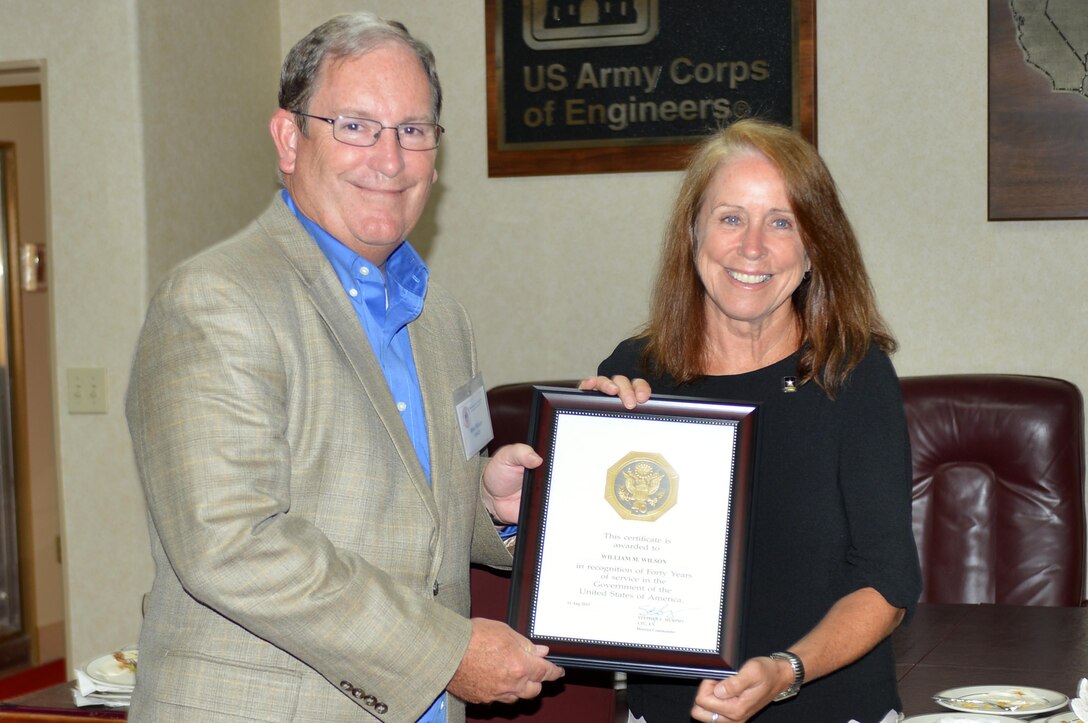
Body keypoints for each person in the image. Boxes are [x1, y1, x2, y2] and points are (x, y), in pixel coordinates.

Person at [125, 12, 563, 722]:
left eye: (413, 130)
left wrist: (491, 505)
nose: (389, 160)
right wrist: (447, 652)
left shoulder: (441, 317)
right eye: (356, 125)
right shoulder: (215, 298)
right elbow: (232, 543)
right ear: (288, 139)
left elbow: (418, 522)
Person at [583, 119, 922, 722]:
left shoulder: (853, 373)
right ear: (693, 233)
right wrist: (582, 457)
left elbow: (888, 582)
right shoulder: (636, 373)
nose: (753, 248)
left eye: (782, 222)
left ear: (815, 246)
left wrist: (784, 671)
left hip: (828, 707)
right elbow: (597, 560)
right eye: (731, 218)